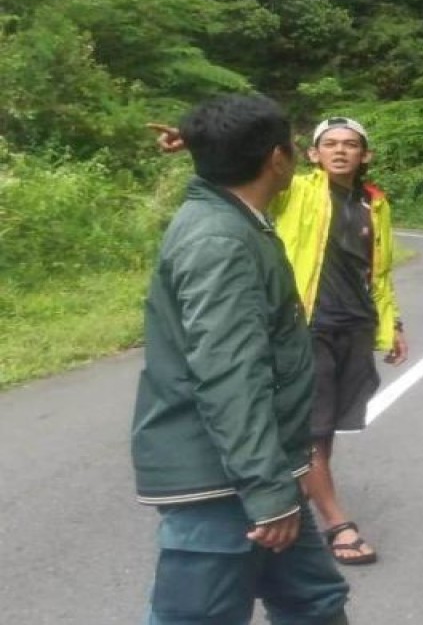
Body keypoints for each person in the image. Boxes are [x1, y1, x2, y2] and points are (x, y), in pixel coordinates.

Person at [150, 115, 409, 565]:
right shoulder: (297, 190)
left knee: (326, 430)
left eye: (351, 144)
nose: (341, 151)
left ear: (365, 155)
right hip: (308, 324)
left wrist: (393, 325)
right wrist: (201, 141)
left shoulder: (374, 203)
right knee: (312, 426)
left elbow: (379, 273)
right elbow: (245, 170)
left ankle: (286, 496)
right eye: (330, 144)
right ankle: (333, 520)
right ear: (311, 155)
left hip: (355, 326)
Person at [132, 94, 350, 624]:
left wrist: (204, 139)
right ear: (277, 160)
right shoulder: (219, 241)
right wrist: (267, 490)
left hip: (257, 468)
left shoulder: (231, 215)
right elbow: (230, 373)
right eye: (294, 147)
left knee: (314, 603)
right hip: (225, 481)